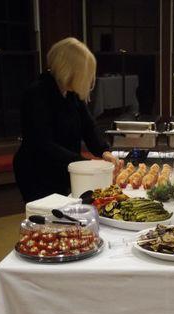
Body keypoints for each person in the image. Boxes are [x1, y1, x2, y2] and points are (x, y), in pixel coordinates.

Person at [13, 37, 120, 202]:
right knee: (49, 219)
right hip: (37, 171)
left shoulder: (71, 94)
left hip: (63, 168)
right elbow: (43, 143)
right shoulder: (37, 94)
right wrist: (85, 163)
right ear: (68, 70)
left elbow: (88, 127)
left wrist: (104, 152)